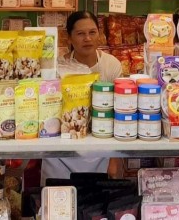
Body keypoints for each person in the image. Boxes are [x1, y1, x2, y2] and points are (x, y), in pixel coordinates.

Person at [40, 11, 122, 185]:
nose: (87, 38)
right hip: (63, 149)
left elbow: (119, 112)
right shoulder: (59, 67)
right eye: (80, 34)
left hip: (101, 146)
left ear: (99, 35)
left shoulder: (111, 65)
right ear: (69, 38)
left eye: (92, 32)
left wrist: (114, 158)